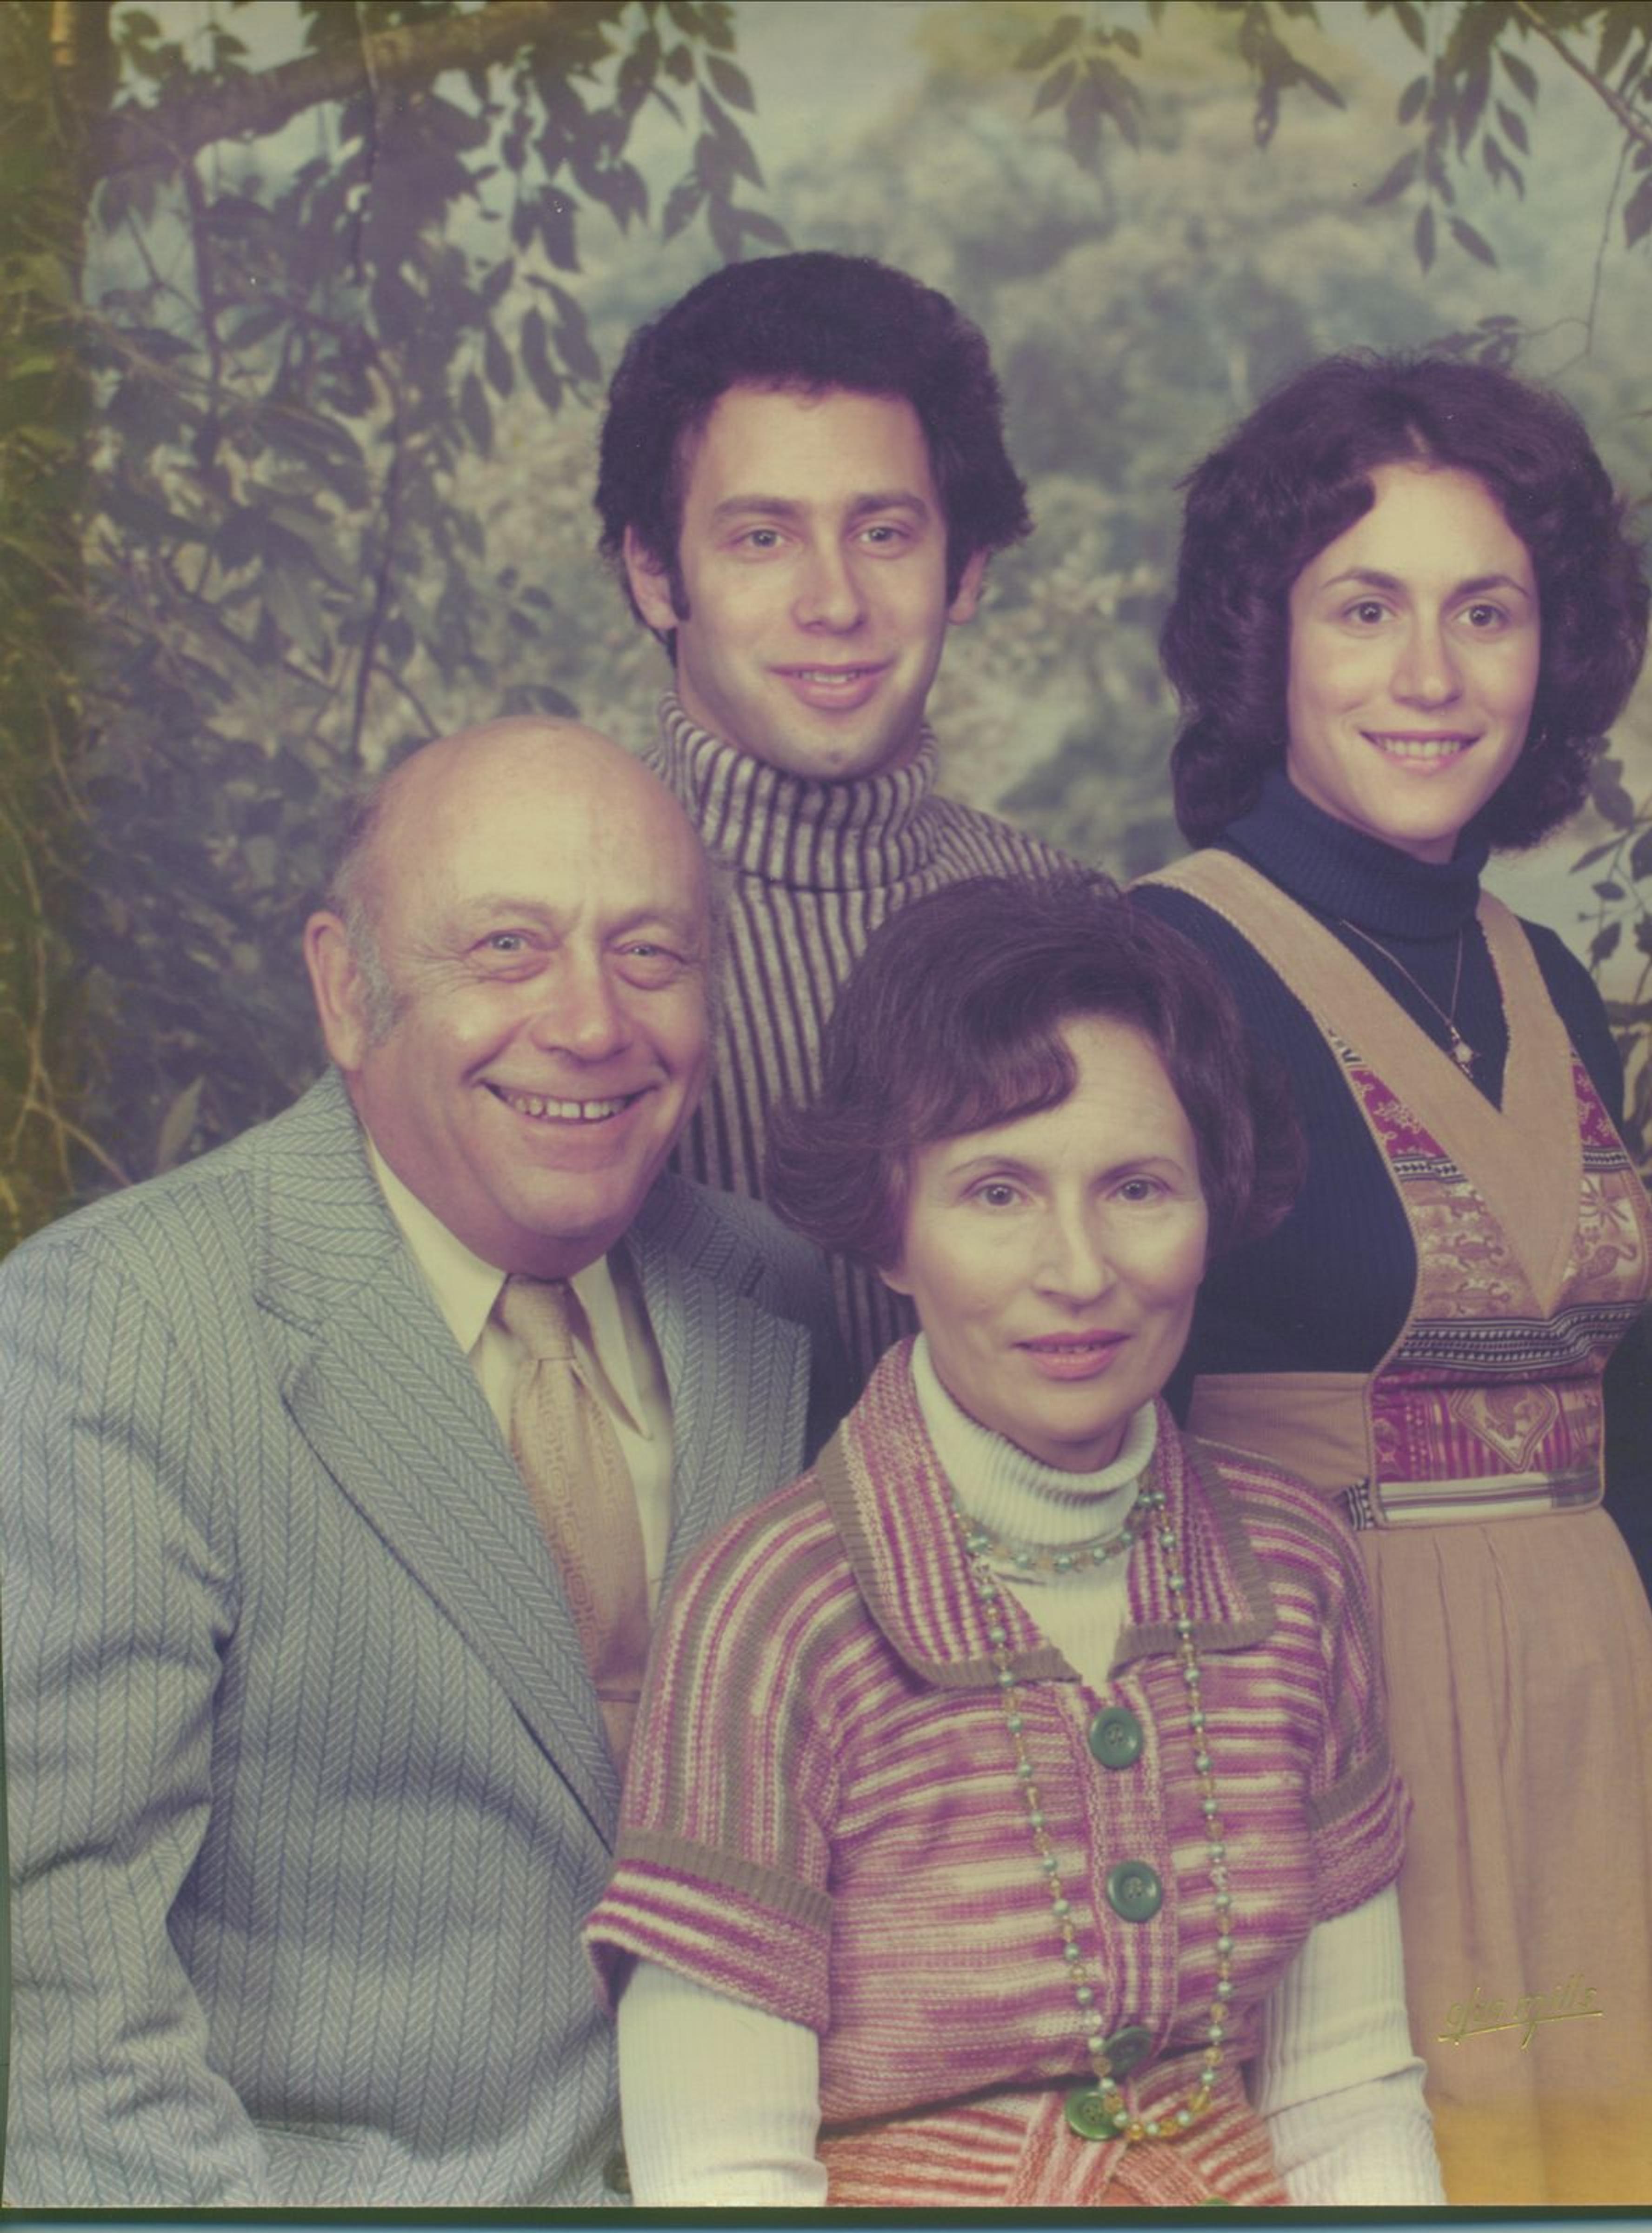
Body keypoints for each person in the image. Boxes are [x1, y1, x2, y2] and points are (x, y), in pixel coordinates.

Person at [0, 718, 841, 2206]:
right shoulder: (116, 1332)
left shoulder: (776, 1299)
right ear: (346, 987)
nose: (592, 1023)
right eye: (508, 948)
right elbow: (58, 2019)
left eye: (651, 954)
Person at [1130, 351, 1652, 2205]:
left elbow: (1631, 1444)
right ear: (1270, 639)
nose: (1431, 674)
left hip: (1600, 1762)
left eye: (1485, 612)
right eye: (1368, 608)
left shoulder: (1546, 976)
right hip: (1328, 1765)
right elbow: (1099, 1460)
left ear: (1550, 650)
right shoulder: (1164, 968)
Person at [584, 874, 1447, 2208]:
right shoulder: (774, 1607)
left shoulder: (1295, 1569)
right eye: (997, 1192)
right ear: (890, 1227)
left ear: (1215, 1205)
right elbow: (719, 2171)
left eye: (1139, 1188)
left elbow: (1348, 2100)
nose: (1080, 1270)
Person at [594, 250, 1076, 1383]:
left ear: (965, 572)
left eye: (885, 533)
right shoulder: (551, 928)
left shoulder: (1067, 922)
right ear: (657, 576)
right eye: (762, 536)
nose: (834, 602)